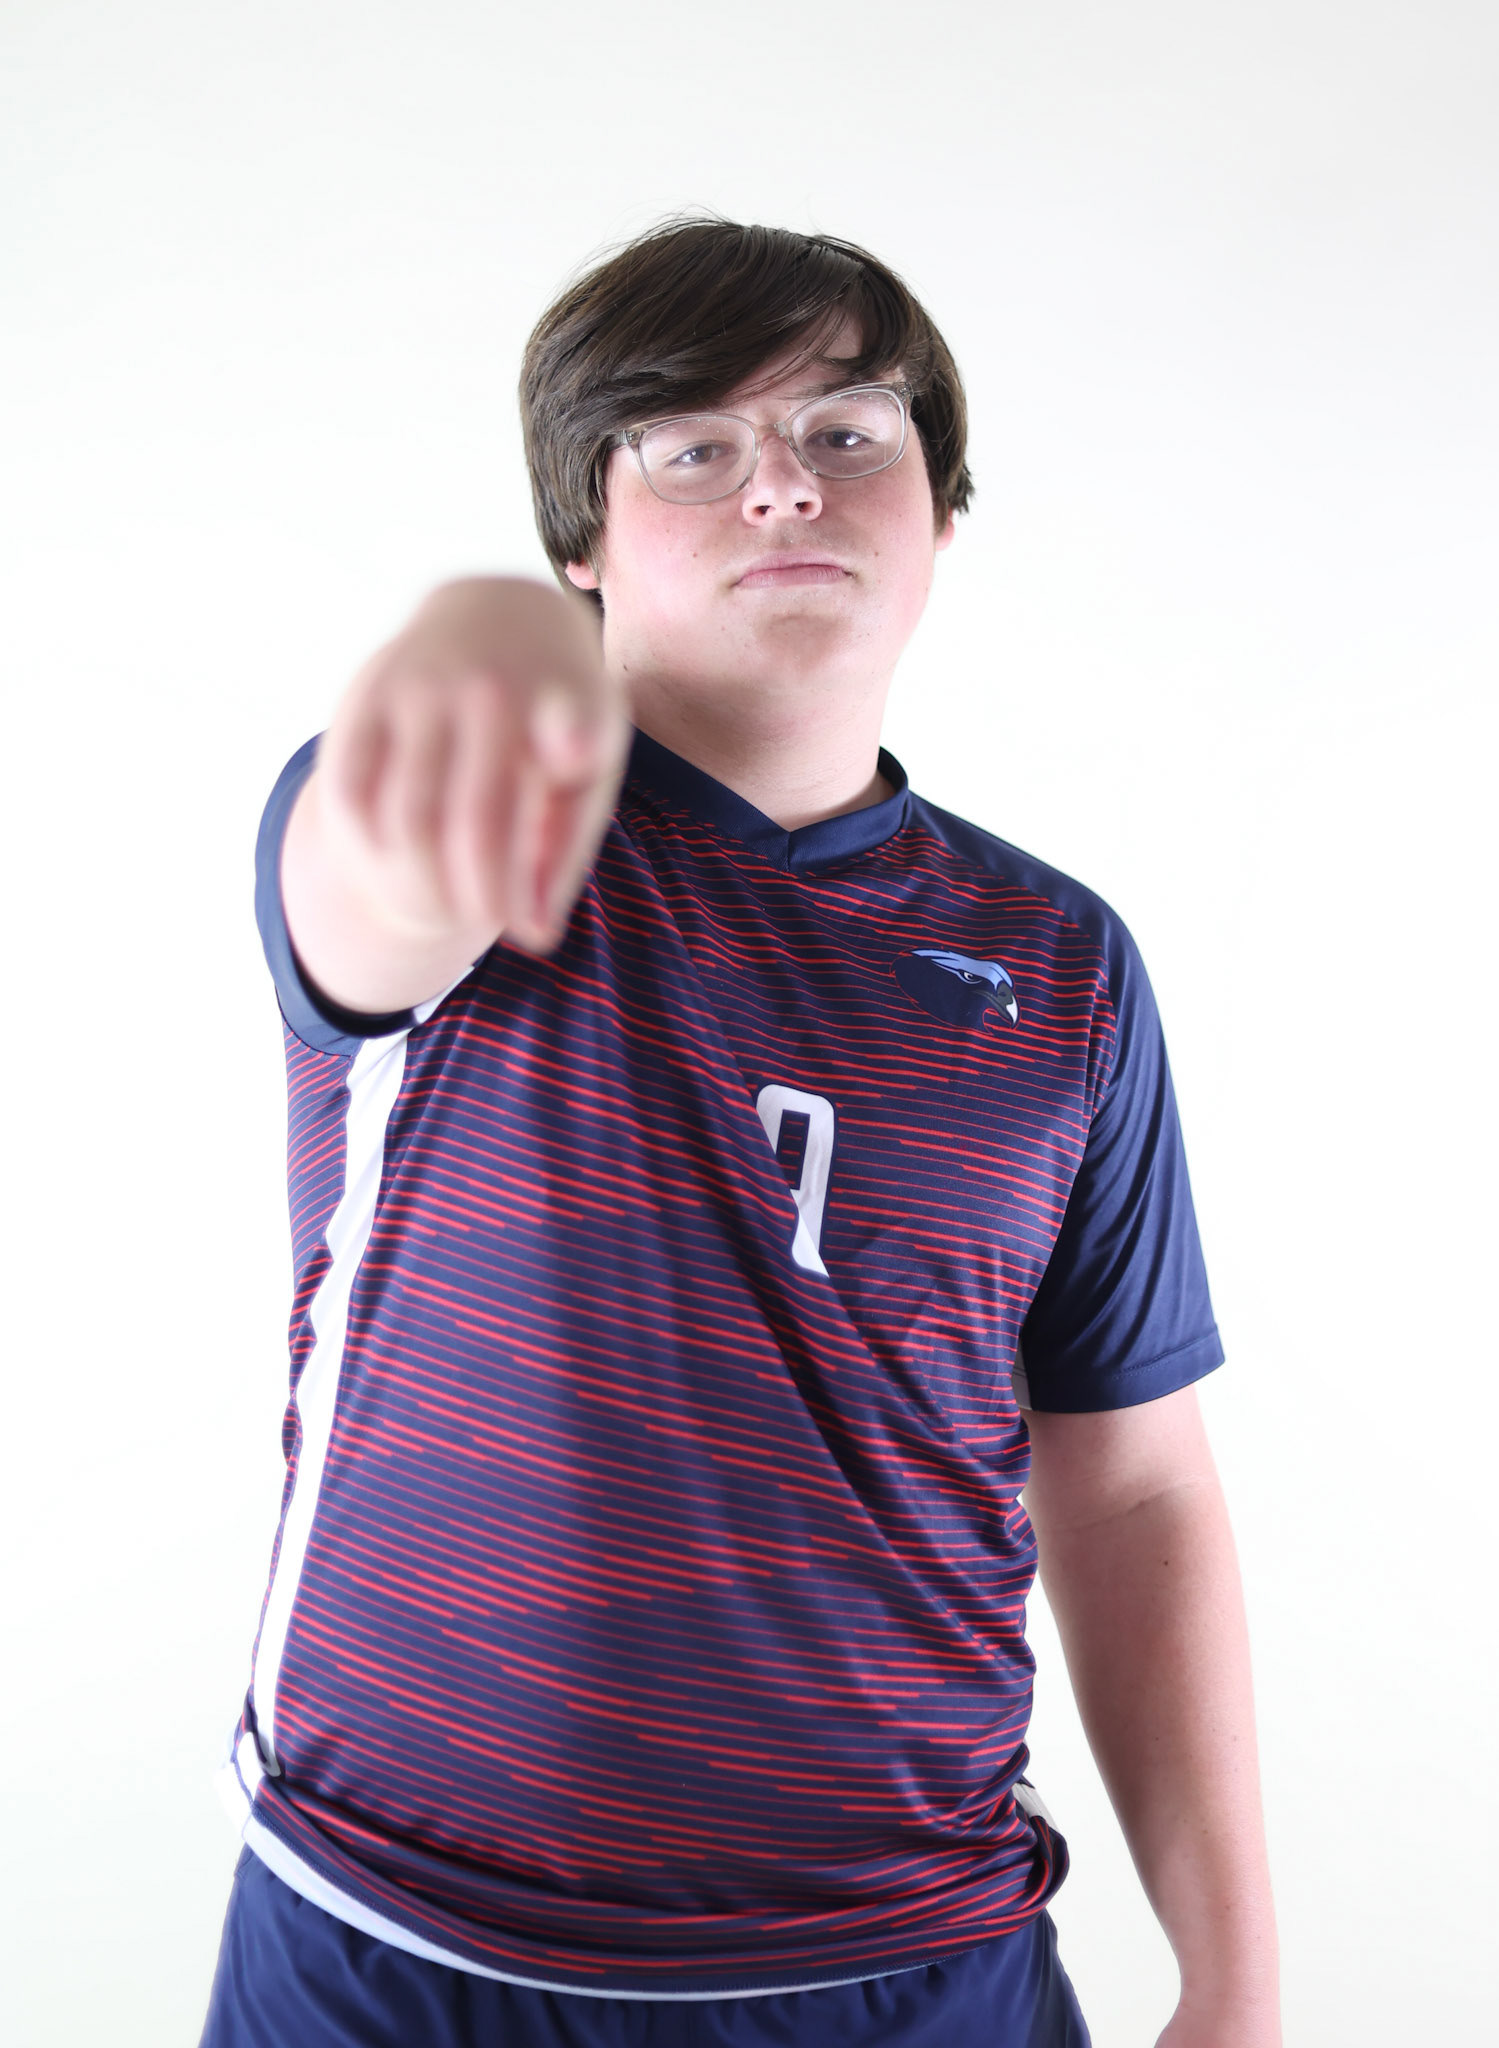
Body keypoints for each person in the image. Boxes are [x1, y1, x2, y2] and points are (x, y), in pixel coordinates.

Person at [199, 217, 1280, 2048]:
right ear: (584, 548)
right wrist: (463, 649)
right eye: (691, 447)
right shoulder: (486, 827)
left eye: (850, 430)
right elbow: (379, 866)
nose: (784, 483)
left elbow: (1137, 1474)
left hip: (914, 1964)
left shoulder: (1062, 963)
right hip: (398, 1949)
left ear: (941, 513)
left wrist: (1236, 1979)